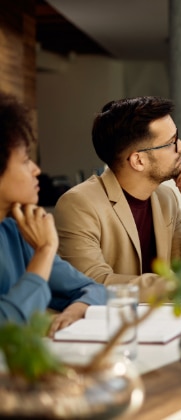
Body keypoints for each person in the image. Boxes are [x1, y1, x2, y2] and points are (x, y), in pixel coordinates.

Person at [54, 96, 181, 302]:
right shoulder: (78, 204)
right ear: (138, 160)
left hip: (161, 325)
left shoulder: (165, 198)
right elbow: (94, 283)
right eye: (172, 142)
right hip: (111, 329)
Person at [0, 92, 106, 334]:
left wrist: (77, 308)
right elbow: (7, 325)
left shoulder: (17, 229)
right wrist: (45, 251)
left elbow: (94, 289)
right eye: (26, 160)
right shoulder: (33, 237)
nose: (37, 170)